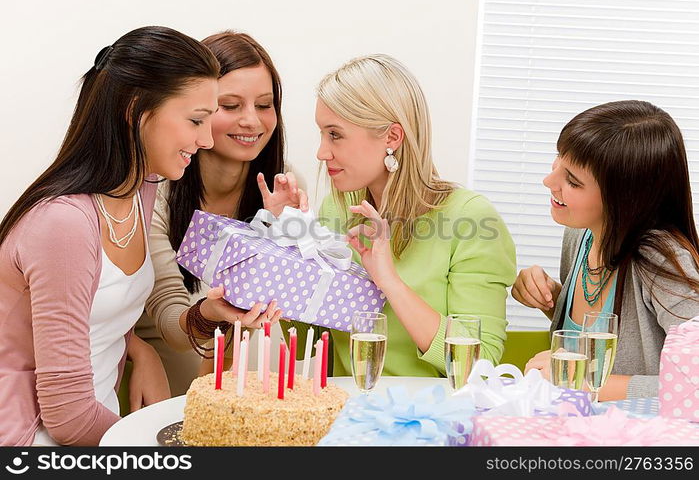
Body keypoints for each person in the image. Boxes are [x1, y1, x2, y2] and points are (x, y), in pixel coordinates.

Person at [0, 26, 221, 446]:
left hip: (100, 430)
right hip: (36, 440)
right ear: (136, 110)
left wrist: (139, 346)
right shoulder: (61, 224)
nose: (206, 139)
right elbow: (65, 416)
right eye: (196, 120)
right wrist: (160, 447)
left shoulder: (141, 189)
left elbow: (85, 312)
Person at [271, 54, 516, 377]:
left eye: (335, 134)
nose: (321, 152)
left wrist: (388, 281)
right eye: (322, 134)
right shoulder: (338, 209)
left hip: (434, 419)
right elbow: (308, 343)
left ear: (392, 138)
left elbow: (478, 366)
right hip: (351, 415)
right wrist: (289, 245)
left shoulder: (471, 221)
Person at [138, 31, 303, 393]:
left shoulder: (282, 188)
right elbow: (172, 326)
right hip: (167, 392)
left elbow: (295, 316)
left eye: (264, 105)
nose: (252, 121)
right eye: (230, 106)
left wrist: (285, 235)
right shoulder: (155, 189)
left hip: (249, 396)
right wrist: (215, 310)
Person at [513, 100, 699, 400]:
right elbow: (598, 336)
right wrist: (551, 300)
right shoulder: (581, 234)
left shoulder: (661, 260)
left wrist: (580, 380)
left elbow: (695, 386)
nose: (549, 181)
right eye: (558, 160)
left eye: (572, 181)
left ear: (623, 198)